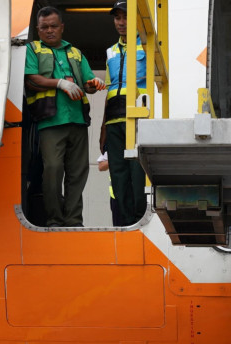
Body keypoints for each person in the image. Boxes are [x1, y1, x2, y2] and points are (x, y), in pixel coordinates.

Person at [24, 6, 104, 228]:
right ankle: (55, 219)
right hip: (50, 120)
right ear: (38, 30)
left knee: (78, 173)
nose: (49, 31)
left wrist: (93, 84)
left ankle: (73, 221)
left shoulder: (75, 53)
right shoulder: (33, 49)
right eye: (44, 28)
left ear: (62, 27)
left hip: (77, 119)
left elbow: (88, 83)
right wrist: (60, 83)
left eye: (53, 26)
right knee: (53, 170)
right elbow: (31, 79)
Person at [102, 1, 148, 226]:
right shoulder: (111, 51)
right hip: (114, 119)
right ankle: (127, 220)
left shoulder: (148, 46)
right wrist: (103, 127)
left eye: (125, 17)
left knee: (137, 173)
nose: (121, 23)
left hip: (137, 117)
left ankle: (139, 218)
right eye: (117, 18)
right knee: (118, 175)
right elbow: (109, 89)